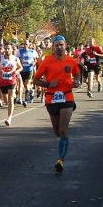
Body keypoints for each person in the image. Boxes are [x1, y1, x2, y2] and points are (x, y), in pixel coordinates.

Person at [34, 35, 81, 174]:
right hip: (51, 99)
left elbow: (77, 75)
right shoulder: (47, 61)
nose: (59, 47)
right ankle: (63, 142)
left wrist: (76, 82)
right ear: (53, 48)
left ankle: (60, 160)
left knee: (62, 131)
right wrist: (48, 84)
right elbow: (35, 80)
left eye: (61, 44)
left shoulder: (71, 61)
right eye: (57, 45)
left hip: (67, 97)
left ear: (65, 45)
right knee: (57, 132)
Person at [0, 45, 18, 126]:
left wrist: (16, 71)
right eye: (5, 48)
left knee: (10, 99)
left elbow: (20, 67)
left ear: (12, 49)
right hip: (3, 81)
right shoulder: (0, 58)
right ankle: (11, 103)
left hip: (12, 81)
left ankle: (9, 118)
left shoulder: (15, 58)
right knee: (6, 100)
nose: (7, 50)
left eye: (8, 48)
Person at [16, 40, 38, 106]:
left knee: (27, 84)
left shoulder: (32, 51)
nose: (25, 45)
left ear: (29, 45)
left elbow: (35, 60)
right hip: (22, 70)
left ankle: (26, 100)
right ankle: (31, 91)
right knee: (25, 86)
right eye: (24, 44)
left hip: (29, 69)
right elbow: (17, 59)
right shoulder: (20, 51)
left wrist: (33, 63)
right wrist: (20, 62)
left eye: (26, 44)